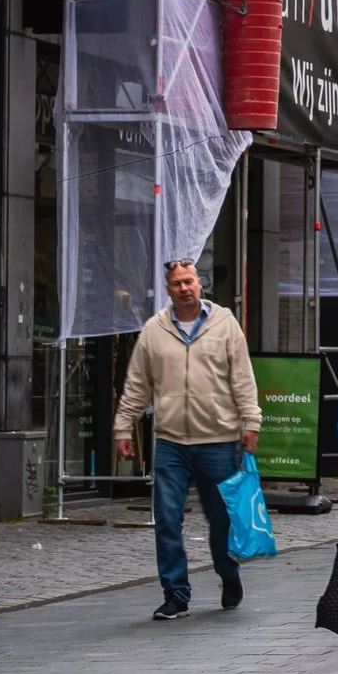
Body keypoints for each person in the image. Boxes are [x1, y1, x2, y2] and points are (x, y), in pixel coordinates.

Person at [114, 258, 262, 620]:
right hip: (171, 442)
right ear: (168, 290)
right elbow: (137, 384)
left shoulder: (225, 324)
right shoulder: (154, 330)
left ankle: (228, 574)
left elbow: (242, 377)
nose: (184, 288)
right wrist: (122, 425)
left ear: (200, 283)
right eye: (177, 283)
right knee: (166, 518)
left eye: (189, 281)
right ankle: (176, 593)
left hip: (219, 439)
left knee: (220, 520)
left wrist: (251, 421)